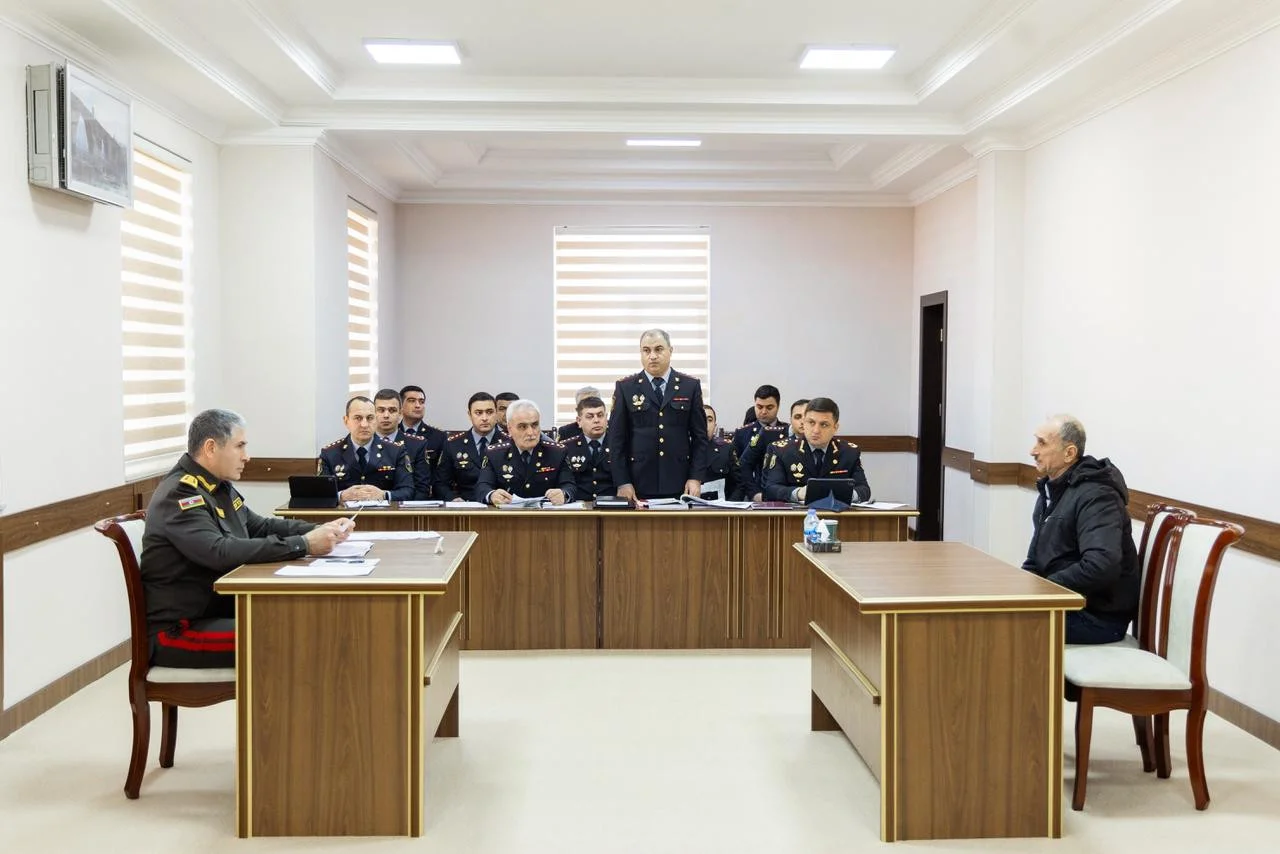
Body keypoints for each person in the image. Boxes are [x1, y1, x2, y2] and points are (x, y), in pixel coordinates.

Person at [141, 409, 351, 667]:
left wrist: (320, 529)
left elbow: (259, 526)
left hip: (217, 609)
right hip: (179, 629)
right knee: (292, 635)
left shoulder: (217, 486)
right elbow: (219, 552)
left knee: (300, 620)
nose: (247, 456)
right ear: (210, 448)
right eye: (239, 446)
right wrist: (305, 544)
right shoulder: (181, 494)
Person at [1021, 415, 1140, 645]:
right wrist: (1015, 591)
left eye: (1042, 443)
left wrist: (1046, 588)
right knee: (994, 612)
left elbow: (1101, 565)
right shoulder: (1052, 490)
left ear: (1069, 453)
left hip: (1097, 617)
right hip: (1065, 604)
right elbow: (1035, 560)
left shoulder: (1097, 495)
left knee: (1005, 625)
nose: (1033, 451)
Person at [606, 328, 709, 500]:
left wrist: (695, 477)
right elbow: (616, 440)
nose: (652, 356)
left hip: (680, 482)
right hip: (638, 483)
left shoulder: (689, 386)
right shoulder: (626, 387)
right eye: (646, 350)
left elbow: (700, 438)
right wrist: (622, 482)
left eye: (658, 349)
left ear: (670, 351)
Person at [761, 397, 870, 504]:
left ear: (835, 427)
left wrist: (846, 494)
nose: (816, 430)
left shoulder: (849, 452)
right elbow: (771, 490)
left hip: (836, 512)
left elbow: (864, 490)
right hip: (796, 514)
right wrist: (798, 493)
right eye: (811, 422)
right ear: (804, 423)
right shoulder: (782, 451)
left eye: (824, 424)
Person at [475, 400, 576, 506]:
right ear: (510, 429)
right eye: (522, 426)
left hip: (546, 514)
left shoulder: (557, 452)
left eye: (534, 425)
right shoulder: (495, 454)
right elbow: (482, 487)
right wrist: (491, 495)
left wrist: (564, 494)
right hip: (507, 514)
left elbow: (570, 486)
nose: (530, 432)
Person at [318, 396, 415, 502]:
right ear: (346, 421)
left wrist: (384, 495)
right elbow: (321, 494)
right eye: (358, 418)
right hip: (344, 512)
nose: (364, 424)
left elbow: (408, 490)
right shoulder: (329, 454)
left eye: (370, 418)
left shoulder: (396, 451)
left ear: (376, 420)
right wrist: (341, 496)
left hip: (384, 512)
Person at [436, 392, 504, 501]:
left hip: (500, 505)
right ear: (469, 415)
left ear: (496, 414)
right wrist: (453, 498)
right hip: (465, 505)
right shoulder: (453, 444)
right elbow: (440, 483)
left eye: (489, 412)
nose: (484, 418)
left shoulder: (509, 442)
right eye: (478, 413)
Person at [739, 397, 807, 502]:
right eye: (798, 417)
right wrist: (754, 493)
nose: (803, 421)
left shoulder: (820, 441)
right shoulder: (768, 434)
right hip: (771, 499)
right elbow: (744, 464)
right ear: (790, 419)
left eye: (807, 418)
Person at [371, 388, 433, 499]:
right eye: (381, 410)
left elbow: (422, 488)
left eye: (392, 410)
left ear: (400, 414)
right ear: (373, 413)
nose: (386, 415)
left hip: (407, 506)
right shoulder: (365, 443)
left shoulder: (417, 445)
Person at [561, 395, 613, 499]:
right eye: (590, 416)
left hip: (612, 503)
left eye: (600, 415)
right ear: (579, 421)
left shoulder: (618, 444)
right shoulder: (566, 448)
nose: (596, 420)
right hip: (579, 504)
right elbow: (565, 481)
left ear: (606, 418)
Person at [399, 385, 448, 476]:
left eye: (421, 402)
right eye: (412, 401)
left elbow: (442, 473)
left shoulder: (439, 436)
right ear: (400, 405)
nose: (418, 405)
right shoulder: (392, 433)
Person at [702, 405, 742, 500]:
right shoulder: (682, 451)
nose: (705, 424)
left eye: (709, 420)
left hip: (720, 507)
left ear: (715, 426)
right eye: (700, 419)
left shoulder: (726, 449)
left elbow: (739, 485)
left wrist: (729, 507)